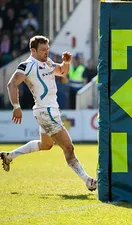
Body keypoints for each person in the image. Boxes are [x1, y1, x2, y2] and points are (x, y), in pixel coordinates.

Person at [0, 35, 97, 192]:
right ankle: (88, 180)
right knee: (69, 147)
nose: (46, 52)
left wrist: (66, 61)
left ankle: (9, 156)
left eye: (47, 49)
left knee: (46, 145)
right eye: (43, 50)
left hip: (50, 111)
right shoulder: (28, 65)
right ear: (33, 50)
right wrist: (16, 106)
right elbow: (12, 83)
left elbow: (62, 72)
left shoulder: (48, 62)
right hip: (46, 112)